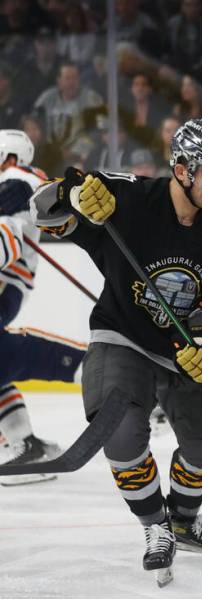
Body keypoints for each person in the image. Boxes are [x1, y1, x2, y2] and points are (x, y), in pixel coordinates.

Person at [30, 118, 202, 586]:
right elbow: (43, 212)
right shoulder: (130, 199)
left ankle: (182, 519)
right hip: (122, 337)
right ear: (181, 168)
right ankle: (156, 526)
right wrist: (71, 196)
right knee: (118, 433)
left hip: (184, 349)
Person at [0, 129, 86, 484]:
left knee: (7, 354)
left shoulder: (16, 176)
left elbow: (27, 188)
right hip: (12, 280)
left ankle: (96, 366)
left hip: (6, 279)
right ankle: (25, 442)